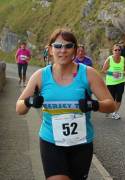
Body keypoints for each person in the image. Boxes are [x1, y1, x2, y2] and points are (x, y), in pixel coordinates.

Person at [16, 28, 116, 180]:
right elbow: (19, 108)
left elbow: (110, 105)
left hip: (81, 144)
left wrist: (93, 105)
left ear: (75, 50)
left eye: (69, 46)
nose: (63, 50)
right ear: (50, 50)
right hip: (51, 142)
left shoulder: (88, 73)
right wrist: (30, 101)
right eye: (57, 46)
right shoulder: (40, 76)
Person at [101, 44, 125, 120]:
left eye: (119, 50)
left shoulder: (123, 59)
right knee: (111, 99)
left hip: (121, 81)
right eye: (115, 50)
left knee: (119, 97)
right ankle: (108, 109)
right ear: (112, 51)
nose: (117, 51)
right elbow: (103, 70)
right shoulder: (109, 59)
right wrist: (112, 73)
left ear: (121, 51)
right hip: (111, 82)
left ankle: (115, 113)